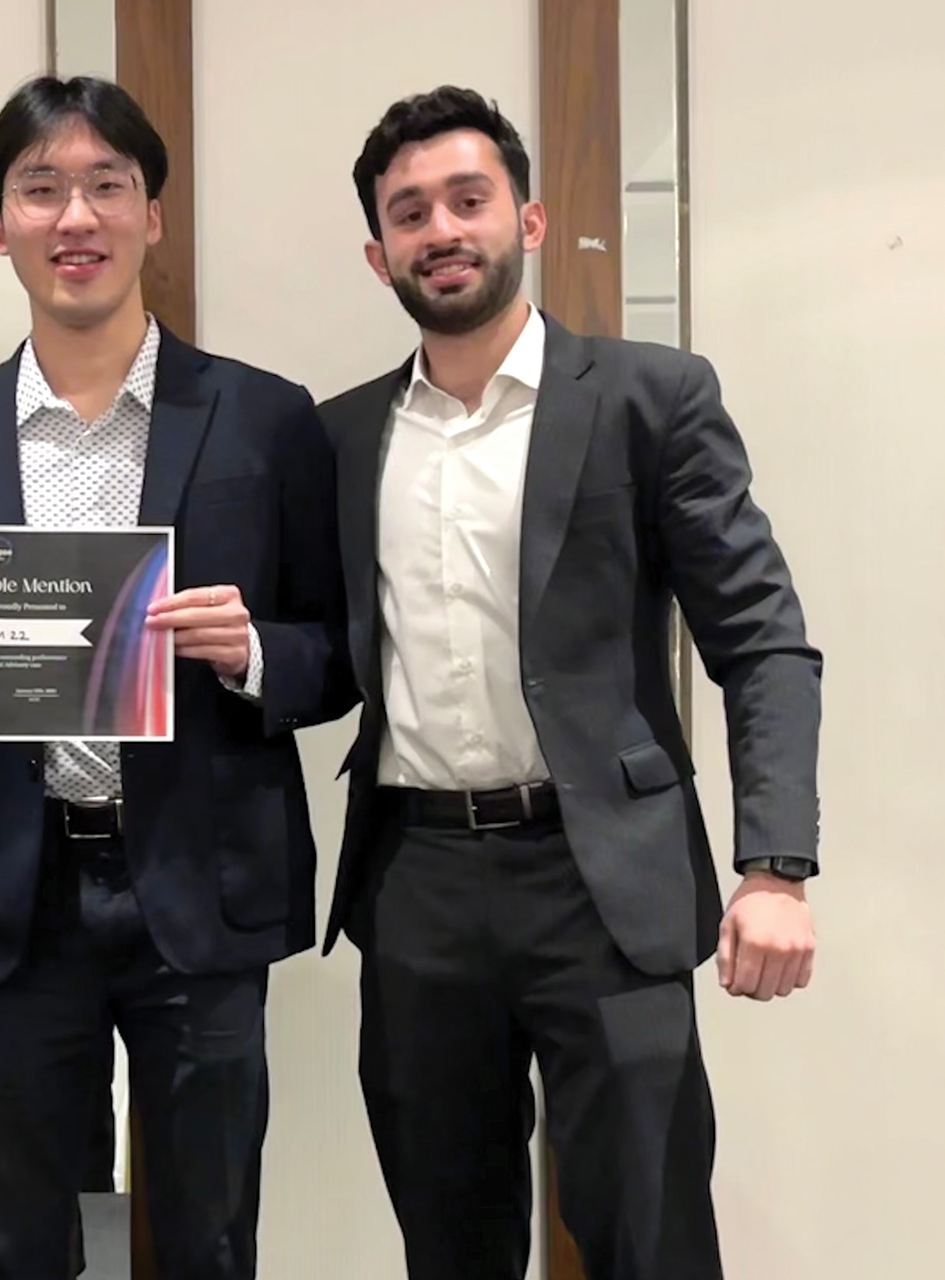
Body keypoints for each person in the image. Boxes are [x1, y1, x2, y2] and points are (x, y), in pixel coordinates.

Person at [0, 75, 355, 1280]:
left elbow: (337, 654)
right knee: (9, 1241)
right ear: (1, 224)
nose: (77, 215)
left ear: (153, 217)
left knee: (211, 1235)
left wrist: (256, 649)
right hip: (12, 892)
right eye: (41, 188)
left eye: (107, 185)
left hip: (197, 889)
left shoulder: (264, 421)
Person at [317, 86, 822, 1280]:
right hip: (417, 879)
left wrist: (775, 865)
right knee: (449, 1241)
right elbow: (312, 650)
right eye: (410, 211)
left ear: (528, 221)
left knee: (647, 1234)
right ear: (378, 251)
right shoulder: (339, 436)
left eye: (468, 198)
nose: (442, 228)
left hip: (603, 880)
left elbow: (762, 638)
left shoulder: (652, 397)